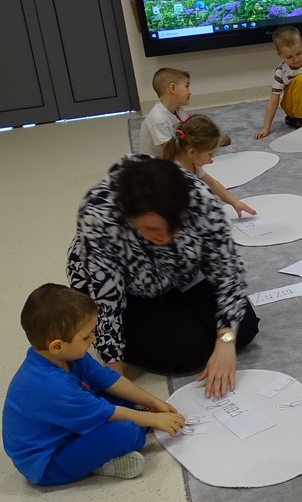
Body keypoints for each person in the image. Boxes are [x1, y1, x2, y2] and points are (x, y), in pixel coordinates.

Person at [66, 156, 260, 396]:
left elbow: (228, 269)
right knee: (186, 353)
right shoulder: (99, 217)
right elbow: (107, 304)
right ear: (130, 217)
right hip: (126, 288)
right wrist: (114, 379)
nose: (165, 238)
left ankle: (180, 312)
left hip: (179, 273)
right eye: (152, 229)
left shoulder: (199, 197)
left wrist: (225, 341)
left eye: (175, 226)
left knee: (244, 328)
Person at [3, 284, 185, 486]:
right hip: (50, 461)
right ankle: (100, 464)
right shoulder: (54, 387)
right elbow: (108, 413)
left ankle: (109, 443)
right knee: (126, 433)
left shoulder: (69, 356)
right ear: (57, 346)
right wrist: (154, 419)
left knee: (122, 401)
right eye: (86, 336)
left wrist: (154, 402)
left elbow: (109, 380)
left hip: (66, 426)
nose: (93, 338)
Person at [159, 114, 257, 220]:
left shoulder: (190, 163)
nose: (212, 158)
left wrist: (234, 202)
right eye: (209, 154)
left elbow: (212, 183)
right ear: (191, 152)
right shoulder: (176, 175)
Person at [139, 67, 191, 158]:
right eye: (186, 86)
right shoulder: (158, 119)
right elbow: (169, 154)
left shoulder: (178, 110)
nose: (189, 92)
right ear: (173, 88)